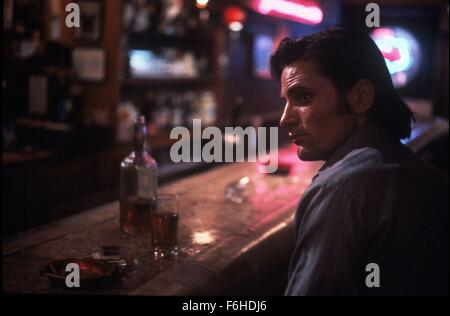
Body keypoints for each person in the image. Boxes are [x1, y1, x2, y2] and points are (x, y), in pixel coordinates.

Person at [270, 27, 448, 296]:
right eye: (286, 101)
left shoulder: (345, 188)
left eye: (303, 97)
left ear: (361, 97)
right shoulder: (411, 168)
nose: (285, 119)